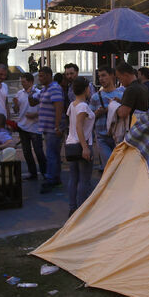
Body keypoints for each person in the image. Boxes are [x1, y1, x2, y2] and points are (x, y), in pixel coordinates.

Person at [64, 76, 95, 216]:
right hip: (82, 144)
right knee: (84, 179)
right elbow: (79, 126)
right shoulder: (83, 106)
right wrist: (85, 147)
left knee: (73, 177)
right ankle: (82, 209)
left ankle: (72, 207)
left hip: (71, 144)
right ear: (86, 89)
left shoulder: (72, 104)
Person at [37, 66, 64, 193]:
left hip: (52, 128)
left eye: (41, 76)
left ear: (48, 75)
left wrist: (57, 126)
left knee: (51, 154)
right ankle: (56, 178)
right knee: (54, 154)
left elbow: (59, 107)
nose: (39, 78)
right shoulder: (45, 89)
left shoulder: (54, 88)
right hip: (47, 128)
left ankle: (51, 179)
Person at [91, 67, 124, 169]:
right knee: (109, 166)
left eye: (104, 75)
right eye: (99, 76)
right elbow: (90, 117)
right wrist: (97, 113)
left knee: (118, 167)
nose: (101, 79)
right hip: (102, 137)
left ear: (112, 76)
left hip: (118, 137)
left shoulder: (121, 95)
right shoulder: (95, 97)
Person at [15, 72, 45, 180]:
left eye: (24, 82)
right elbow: (17, 110)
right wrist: (15, 105)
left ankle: (44, 171)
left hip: (35, 126)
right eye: (21, 82)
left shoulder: (38, 93)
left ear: (31, 82)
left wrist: (35, 114)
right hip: (22, 126)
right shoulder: (19, 94)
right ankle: (32, 172)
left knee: (38, 151)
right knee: (26, 151)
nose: (22, 84)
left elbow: (44, 108)